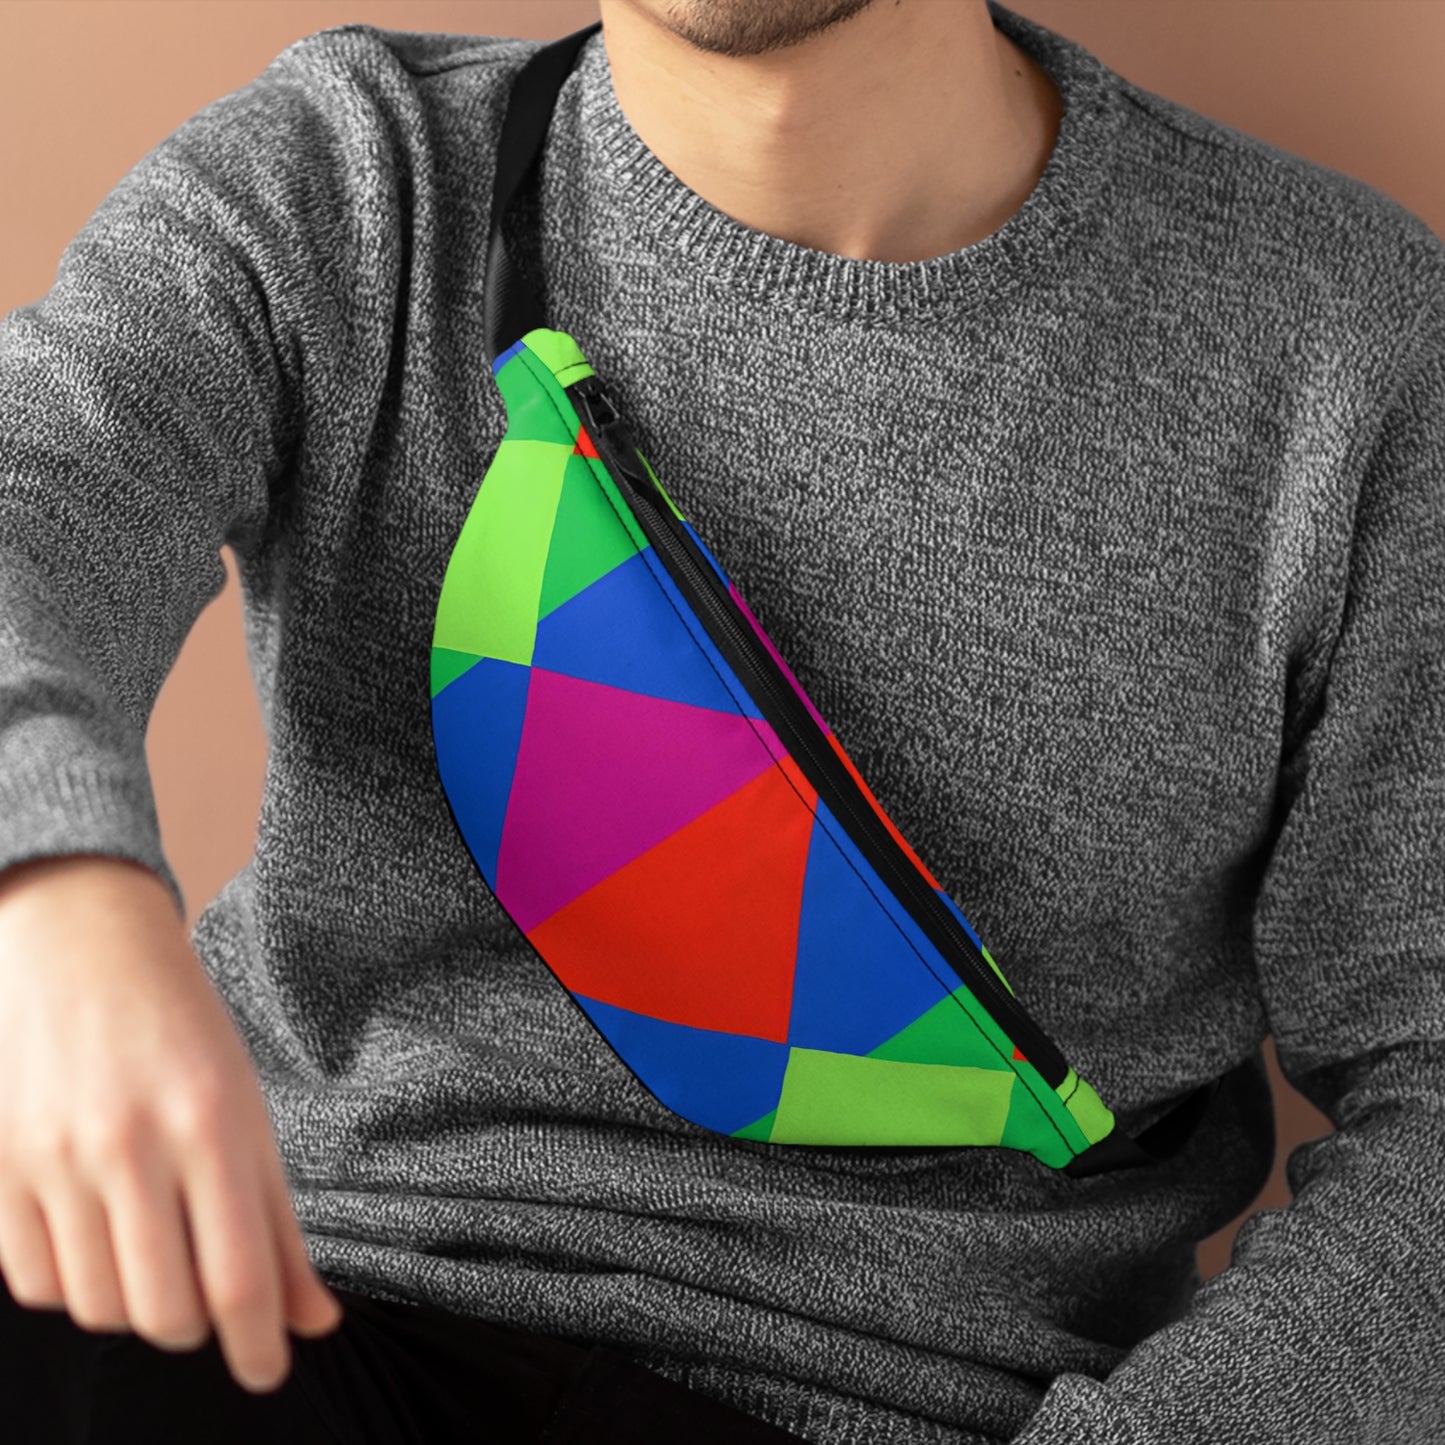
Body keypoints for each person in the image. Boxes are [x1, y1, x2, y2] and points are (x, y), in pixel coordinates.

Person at [0, 0, 1441, 1439]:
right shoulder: (349, 177)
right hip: (291, 1318)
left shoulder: (1354, 345)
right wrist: (59, 891)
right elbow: (35, 502)